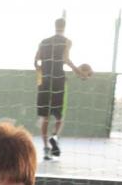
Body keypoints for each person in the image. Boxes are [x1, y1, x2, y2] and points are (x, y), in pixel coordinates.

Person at [34, 18, 85, 159]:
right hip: (58, 81)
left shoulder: (43, 42)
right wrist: (78, 71)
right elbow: (66, 59)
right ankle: (54, 137)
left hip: (44, 81)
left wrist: (41, 70)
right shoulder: (67, 41)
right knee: (59, 116)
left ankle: (45, 148)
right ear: (64, 27)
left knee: (45, 117)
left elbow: (36, 60)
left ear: (54, 26)